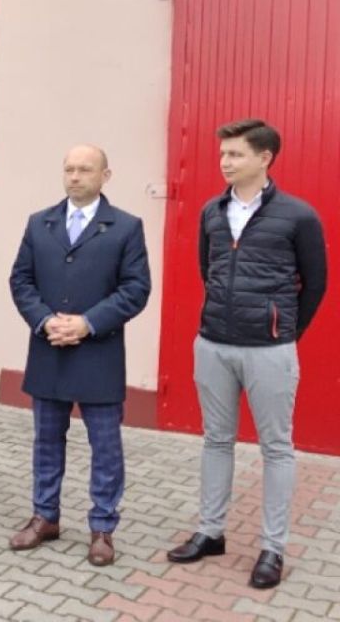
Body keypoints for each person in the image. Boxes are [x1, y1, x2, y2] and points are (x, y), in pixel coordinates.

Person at [166, 119, 327, 589]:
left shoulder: (298, 216)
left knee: (277, 447)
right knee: (216, 440)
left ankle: (272, 547)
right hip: (213, 343)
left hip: (269, 350)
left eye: (235, 154)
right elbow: (208, 270)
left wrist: (284, 330)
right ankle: (210, 532)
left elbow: (315, 283)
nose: (225, 162)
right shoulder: (211, 212)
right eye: (223, 154)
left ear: (264, 158)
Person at [8, 145, 150, 566]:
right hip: (49, 348)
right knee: (46, 441)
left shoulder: (126, 227)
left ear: (105, 176)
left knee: (105, 446)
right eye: (69, 169)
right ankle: (45, 516)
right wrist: (44, 320)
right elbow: (21, 280)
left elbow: (136, 288)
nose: (74, 176)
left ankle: (102, 527)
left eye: (85, 169)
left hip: (98, 353)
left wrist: (88, 323)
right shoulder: (40, 223)